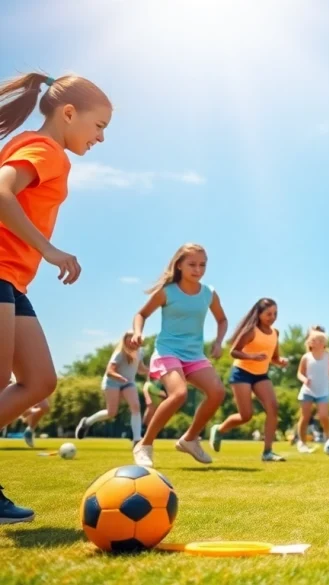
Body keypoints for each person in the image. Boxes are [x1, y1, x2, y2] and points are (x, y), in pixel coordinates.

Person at [0, 72, 111, 524]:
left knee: (41, 381)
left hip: (12, 282)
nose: (101, 137)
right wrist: (49, 249)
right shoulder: (47, 150)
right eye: (99, 125)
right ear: (69, 114)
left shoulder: (34, 143)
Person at [129, 243, 228, 468]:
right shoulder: (167, 292)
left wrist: (219, 341)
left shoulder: (208, 293)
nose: (198, 269)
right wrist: (137, 332)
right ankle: (144, 445)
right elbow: (141, 314)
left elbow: (222, 319)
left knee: (217, 392)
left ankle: (190, 439)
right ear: (180, 265)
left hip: (194, 354)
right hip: (167, 351)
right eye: (192, 264)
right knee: (179, 393)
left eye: (202, 265)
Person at [210, 298, 289, 462]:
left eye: (275, 314)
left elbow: (273, 357)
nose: (272, 317)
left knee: (273, 407)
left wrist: (280, 361)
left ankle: (267, 452)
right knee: (246, 415)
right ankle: (220, 429)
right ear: (259, 314)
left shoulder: (276, 333)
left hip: (261, 375)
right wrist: (251, 356)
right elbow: (234, 352)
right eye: (268, 314)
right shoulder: (251, 331)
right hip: (242, 373)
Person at [75, 332, 149, 446]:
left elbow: (140, 369)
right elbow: (109, 372)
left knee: (135, 406)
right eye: (129, 341)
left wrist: (151, 371)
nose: (132, 343)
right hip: (112, 383)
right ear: (125, 341)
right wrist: (120, 377)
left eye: (134, 340)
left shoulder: (140, 352)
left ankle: (137, 439)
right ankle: (87, 422)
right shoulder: (119, 353)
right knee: (111, 413)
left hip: (128, 383)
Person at [295, 327, 329, 453]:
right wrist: (304, 379)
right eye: (315, 340)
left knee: (324, 416)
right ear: (310, 343)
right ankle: (302, 443)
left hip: (323, 392)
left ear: (325, 343)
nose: (318, 342)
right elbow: (299, 373)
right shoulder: (306, 357)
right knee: (305, 417)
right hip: (307, 391)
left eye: (321, 340)